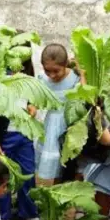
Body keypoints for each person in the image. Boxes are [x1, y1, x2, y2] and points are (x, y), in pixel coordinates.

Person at [0, 56, 42, 220]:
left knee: (28, 173)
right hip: (4, 136)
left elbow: (32, 101)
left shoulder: (28, 78)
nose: (19, 62)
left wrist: (32, 106)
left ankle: (29, 214)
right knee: (3, 174)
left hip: (24, 134)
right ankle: (3, 216)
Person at [35, 43, 80, 182]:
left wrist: (83, 73)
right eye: (47, 71)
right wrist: (32, 107)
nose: (52, 75)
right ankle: (56, 197)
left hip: (70, 125)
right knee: (56, 168)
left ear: (66, 64)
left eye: (56, 71)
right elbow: (37, 100)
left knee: (71, 167)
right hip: (51, 127)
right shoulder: (42, 79)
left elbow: (83, 98)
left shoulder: (75, 78)